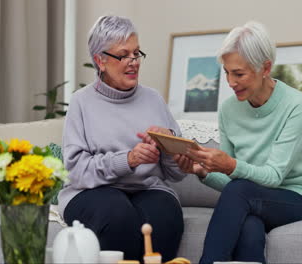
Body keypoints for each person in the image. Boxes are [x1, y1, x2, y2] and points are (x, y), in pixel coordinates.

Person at [174, 21, 302, 264]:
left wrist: (230, 165)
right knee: (249, 227)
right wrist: (202, 171)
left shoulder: (295, 105)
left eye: (239, 73)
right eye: (227, 73)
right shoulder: (229, 109)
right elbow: (234, 183)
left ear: (265, 68)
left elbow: (273, 177)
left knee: (240, 191)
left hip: (297, 200)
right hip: (252, 200)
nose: (231, 82)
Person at [58, 15, 186, 262]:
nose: (133, 62)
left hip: (147, 188)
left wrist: (169, 148)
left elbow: (176, 174)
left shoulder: (154, 99)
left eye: (136, 54)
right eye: (123, 55)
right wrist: (127, 159)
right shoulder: (81, 102)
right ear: (100, 61)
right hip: (92, 191)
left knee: (164, 216)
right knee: (117, 214)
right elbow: (75, 170)